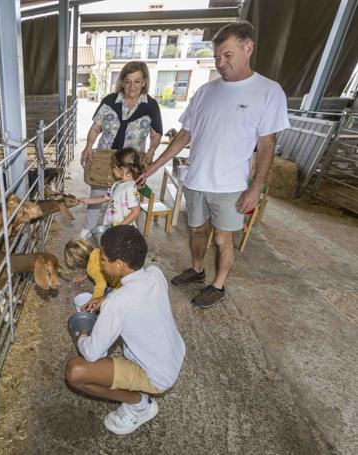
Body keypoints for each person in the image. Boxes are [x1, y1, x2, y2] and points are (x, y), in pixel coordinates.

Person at [139, 21, 289, 309]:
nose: (220, 63)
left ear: (248, 48)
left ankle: (218, 285)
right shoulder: (206, 92)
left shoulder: (269, 91)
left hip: (230, 185)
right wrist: (155, 166)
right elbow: (184, 135)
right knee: (196, 231)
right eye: (217, 57)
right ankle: (197, 269)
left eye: (227, 55)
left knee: (222, 239)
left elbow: (267, 146)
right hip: (196, 179)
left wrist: (255, 188)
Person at [65, 225, 185, 435]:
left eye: (104, 259)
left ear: (119, 265)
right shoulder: (155, 274)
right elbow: (136, 299)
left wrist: (82, 332)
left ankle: (140, 405)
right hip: (173, 355)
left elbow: (92, 354)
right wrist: (106, 298)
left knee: (75, 372)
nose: (101, 263)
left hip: (156, 376)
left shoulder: (118, 303)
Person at [80, 61, 163, 235]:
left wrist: (151, 151)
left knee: (125, 201)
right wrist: (88, 145)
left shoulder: (151, 105)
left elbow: (156, 135)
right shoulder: (110, 101)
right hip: (105, 159)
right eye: (128, 81)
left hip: (131, 163)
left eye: (137, 81)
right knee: (98, 192)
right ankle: (88, 232)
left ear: (144, 81)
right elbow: (96, 127)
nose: (132, 86)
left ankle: (120, 234)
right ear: (122, 81)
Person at [78, 148, 142, 227]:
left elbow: (136, 211)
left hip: (124, 230)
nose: (112, 170)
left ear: (123, 169)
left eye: (113, 167)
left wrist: (120, 227)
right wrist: (87, 201)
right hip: (113, 226)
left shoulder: (130, 188)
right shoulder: (116, 184)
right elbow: (104, 198)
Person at [64, 237, 121, 311]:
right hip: (120, 271)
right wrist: (83, 277)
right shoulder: (96, 251)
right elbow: (96, 268)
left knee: (108, 303)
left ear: (79, 262)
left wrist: (92, 302)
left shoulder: (91, 268)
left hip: (119, 285)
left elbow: (101, 284)